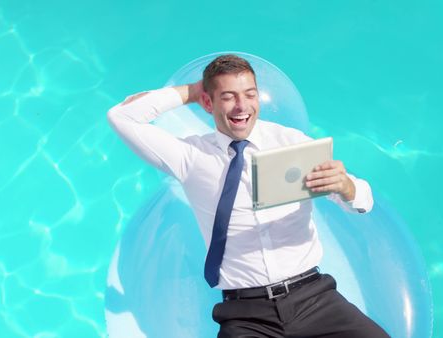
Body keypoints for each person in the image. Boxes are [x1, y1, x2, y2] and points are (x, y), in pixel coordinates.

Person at [107, 54, 390, 337]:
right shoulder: (190, 157)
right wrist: (194, 90)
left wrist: (346, 187)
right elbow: (121, 116)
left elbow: (363, 202)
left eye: (249, 95)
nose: (242, 106)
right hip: (246, 315)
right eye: (228, 97)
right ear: (209, 103)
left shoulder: (289, 142)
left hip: (314, 299)